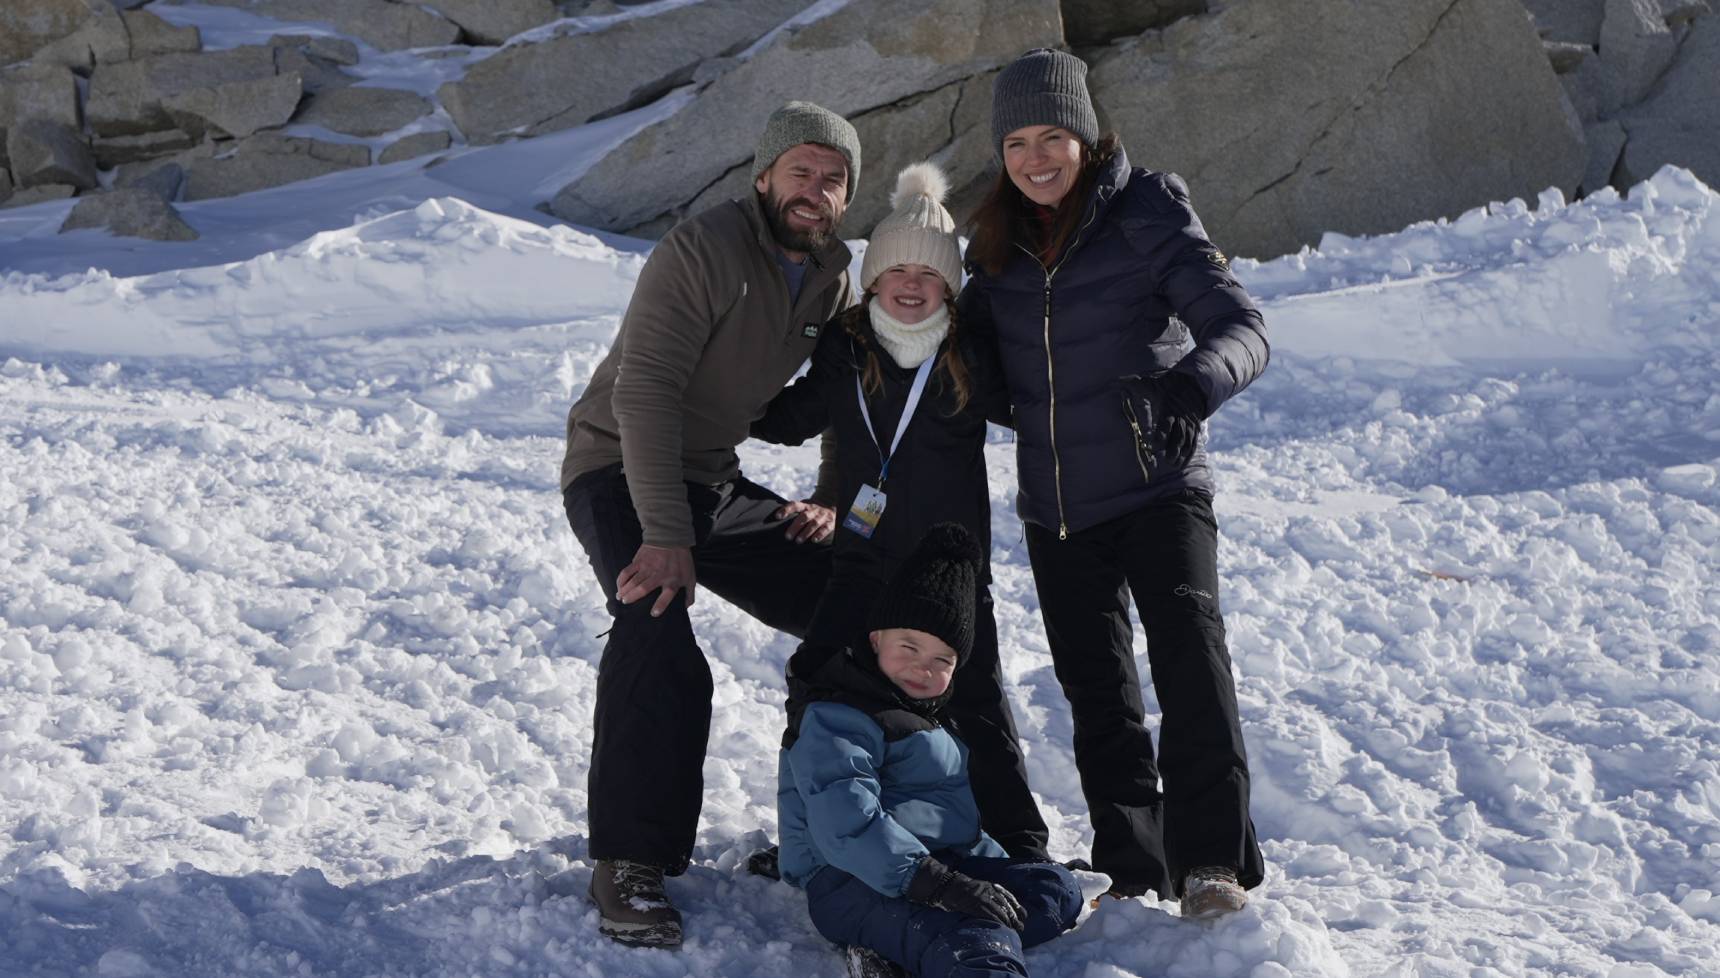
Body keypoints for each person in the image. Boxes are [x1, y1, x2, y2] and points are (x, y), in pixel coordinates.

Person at [957, 48, 1270, 918]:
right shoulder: (994, 243)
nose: (1035, 157)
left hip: (1159, 484)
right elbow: (978, 365)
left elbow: (1241, 327)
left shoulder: (1146, 209)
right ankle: (1132, 871)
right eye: (1016, 141)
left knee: (1190, 663)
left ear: (1085, 135)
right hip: (1057, 507)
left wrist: (1189, 387)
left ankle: (1211, 864)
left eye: (1052, 134)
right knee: (1097, 693)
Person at [560, 100, 862, 949]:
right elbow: (644, 393)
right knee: (656, 623)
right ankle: (628, 860)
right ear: (763, 176)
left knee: (853, 606)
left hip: (711, 482)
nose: (816, 188)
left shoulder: (832, 273)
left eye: (833, 179)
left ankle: (823, 836)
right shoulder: (702, 249)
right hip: (620, 467)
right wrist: (664, 536)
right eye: (800, 170)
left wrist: (831, 497)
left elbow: (813, 404)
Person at [751, 161, 1050, 861]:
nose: (913, 287)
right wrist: (719, 393)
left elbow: (1040, 406)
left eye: (930, 276)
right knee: (820, 684)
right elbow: (791, 418)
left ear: (949, 287)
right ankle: (811, 843)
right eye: (898, 273)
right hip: (862, 557)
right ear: (875, 278)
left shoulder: (969, 353)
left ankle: (1023, 848)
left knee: (971, 701)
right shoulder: (846, 347)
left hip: (948, 563)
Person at [777, 523, 1083, 978]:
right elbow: (844, 820)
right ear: (876, 639)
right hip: (850, 881)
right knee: (975, 937)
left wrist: (993, 872)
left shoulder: (929, 722)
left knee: (1054, 889)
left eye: (942, 660)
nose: (923, 668)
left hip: (934, 870)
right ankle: (953, 947)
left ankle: (897, 951)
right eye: (910, 647)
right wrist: (938, 885)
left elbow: (950, 822)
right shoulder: (836, 716)